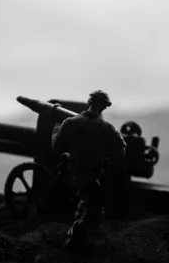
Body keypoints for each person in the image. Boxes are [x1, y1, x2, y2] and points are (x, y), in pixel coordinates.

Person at [51, 90, 127, 250]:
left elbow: (56, 146)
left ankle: (81, 238)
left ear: (89, 102)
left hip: (72, 173)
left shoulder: (70, 122)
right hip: (91, 175)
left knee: (86, 205)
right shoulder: (107, 128)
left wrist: (57, 126)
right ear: (104, 108)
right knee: (95, 210)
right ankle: (73, 240)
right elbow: (120, 152)